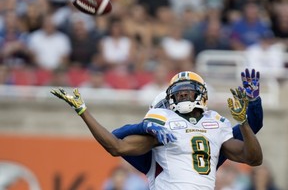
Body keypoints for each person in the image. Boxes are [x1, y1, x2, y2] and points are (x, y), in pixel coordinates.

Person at [51, 70, 263, 189]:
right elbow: (116, 144)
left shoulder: (214, 124)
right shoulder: (161, 125)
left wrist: (248, 112)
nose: (182, 96)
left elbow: (253, 151)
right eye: (178, 93)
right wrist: (83, 110)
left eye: (188, 92)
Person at [112, 69, 263, 177]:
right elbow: (116, 140)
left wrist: (253, 102)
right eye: (164, 110)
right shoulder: (153, 141)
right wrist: (144, 126)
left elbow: (251, 127)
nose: (170, 114)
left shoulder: (213, 129)